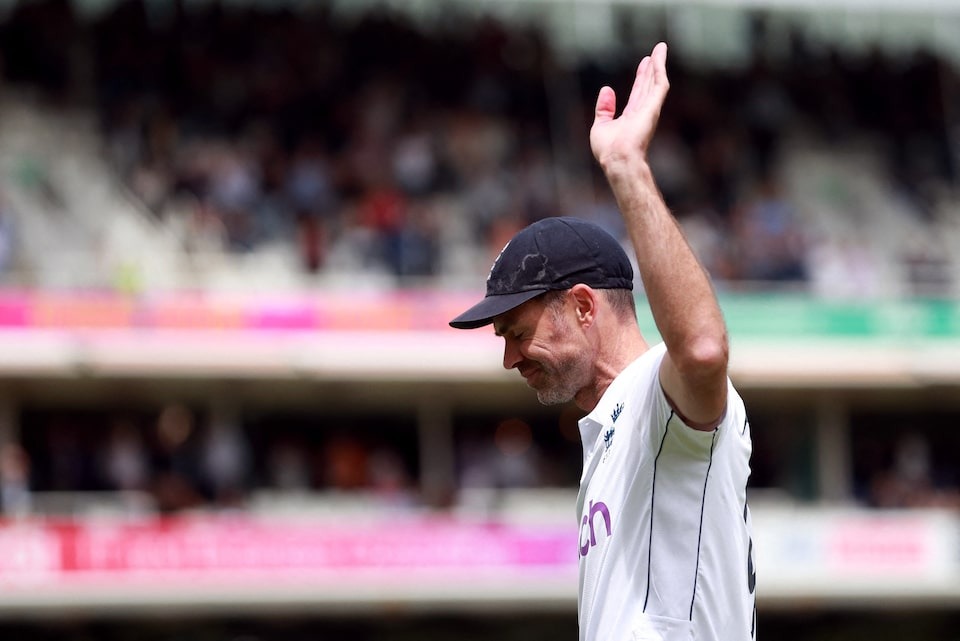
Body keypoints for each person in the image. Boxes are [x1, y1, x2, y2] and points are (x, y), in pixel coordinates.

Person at [449, 43, 756, 641]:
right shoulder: (610, 429)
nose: (509, 357)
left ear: (584, 305)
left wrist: (626, 166)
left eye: (517, 332)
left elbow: (701, 350)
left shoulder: (653, 399)